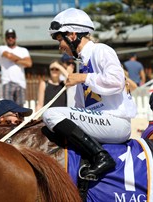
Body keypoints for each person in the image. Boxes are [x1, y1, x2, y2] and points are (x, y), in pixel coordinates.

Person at [42, 8, 137, 180]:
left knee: (50, 113)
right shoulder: (82, 64)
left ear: (71, 35)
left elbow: (117, 81)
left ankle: (101, 157)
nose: (60, 47)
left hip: (116, 122)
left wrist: (83, 78)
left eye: (59, 40)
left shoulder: (101, 50)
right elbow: (79, 109)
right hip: (101, 122)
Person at [0, 28, 32, 106]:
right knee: (8, 109)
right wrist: (22, 60)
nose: (10, 39)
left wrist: (15, 59)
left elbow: (29, 63)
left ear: (16, 38)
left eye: (12, 36)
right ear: (5, 38)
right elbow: (9, 55)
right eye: (8, 37)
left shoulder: (23, 50)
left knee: (20, 110)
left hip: (20, 83)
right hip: (7, 82)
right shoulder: (1, 48)